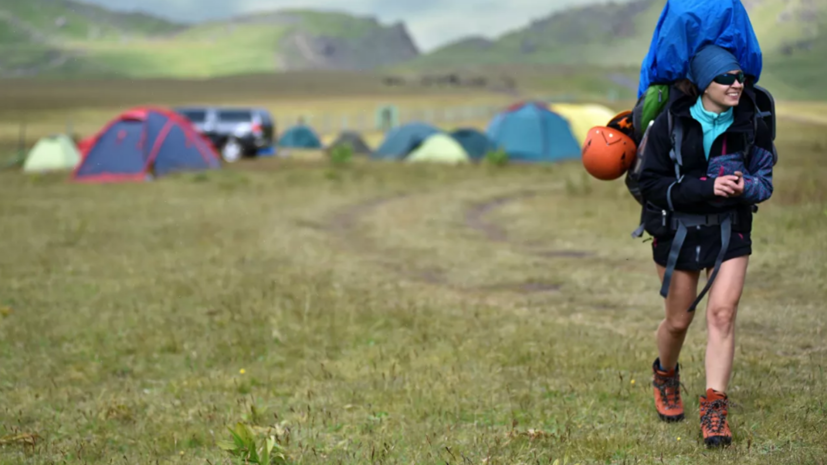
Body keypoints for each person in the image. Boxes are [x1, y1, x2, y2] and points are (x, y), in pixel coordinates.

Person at [636, 44, 775, 447]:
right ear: (703, 85)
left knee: (722, 315)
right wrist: (705, 186)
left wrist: (744, 186)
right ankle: (666, 374)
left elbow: (764, 179)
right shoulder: (669, 124)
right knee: (679, 321)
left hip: (731, 229)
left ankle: (715, 409)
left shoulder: (753, 121)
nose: (737, 84)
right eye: (726, 78)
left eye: (740, 77)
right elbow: (651, 185)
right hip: (677, 230)